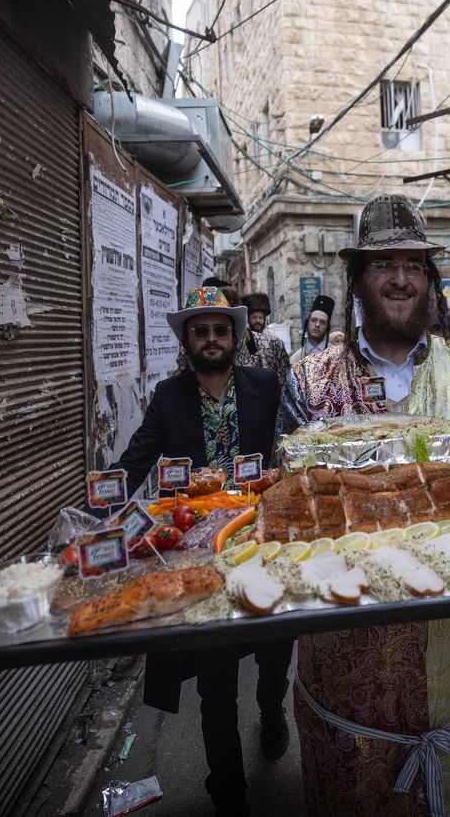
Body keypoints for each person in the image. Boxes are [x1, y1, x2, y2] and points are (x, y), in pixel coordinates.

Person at [283, 194, 450, 816]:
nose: (399, 278)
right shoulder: (308, 379)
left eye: (413, 264)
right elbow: (283, 512)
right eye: (383, 263)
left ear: (430, 280)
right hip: (346, 658)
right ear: (358, 279)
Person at [111, 286, 293, 817]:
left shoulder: (263, 384)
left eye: (219, 330)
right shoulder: (169, 397)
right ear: (187, 340)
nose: (211, 340)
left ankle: (273, 709)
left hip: (260, 537)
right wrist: (97, 522)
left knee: (277, 644)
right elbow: (136, 461)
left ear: (235, 336)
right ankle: (228, 789)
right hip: (198, 550)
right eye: (200, 331)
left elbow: (292, 444)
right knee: (216, 681)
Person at [290, 294, 335, 365]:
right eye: (314, 320)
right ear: (307, 323)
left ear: (327, 327)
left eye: (322, 322)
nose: (317, 325)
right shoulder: (296, 358)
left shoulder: (336, 355)